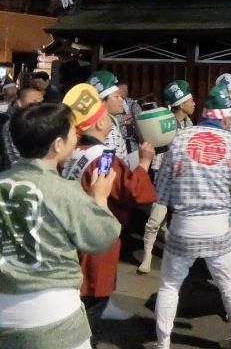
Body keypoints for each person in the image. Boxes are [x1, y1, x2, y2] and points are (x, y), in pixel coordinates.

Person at [151, 83, 231, 349]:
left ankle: (163, 343)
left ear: (205, 113)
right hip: (218, 225)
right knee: (228, 283)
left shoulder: (180, 139)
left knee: (170, 285)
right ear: (226, 118)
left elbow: (161, 191)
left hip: (183, 224)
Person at [0, 102, 120, 349]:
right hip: (54, 313)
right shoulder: (63, 191)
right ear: (57, 144)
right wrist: (99, 199)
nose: (77, 138)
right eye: (73, 133)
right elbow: (100, 239)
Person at [61, 83, 157, 333]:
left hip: (71, 232)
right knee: (90, 303)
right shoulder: (102, 157)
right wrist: (144, 162)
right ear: (101, 123)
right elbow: (135, 192)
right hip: (96, 237)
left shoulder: (74, 151)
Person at [138, 79, 196, 274]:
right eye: (191, 101)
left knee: (182, 220)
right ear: (182, 104)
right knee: (156, 219)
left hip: (184, 178)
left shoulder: (190, 124)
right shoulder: (164, 122)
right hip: (165, 176)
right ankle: (147, 256)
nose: (194, 103)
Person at [87, 71, 128, 159]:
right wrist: (144, 162)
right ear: (102, 102)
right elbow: (111, 164)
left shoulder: (106, 122)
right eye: (116, 96)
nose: (121, 100)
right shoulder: (107, 130)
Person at [0, 87, 43, 171]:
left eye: (41, 102)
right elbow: (14, 156)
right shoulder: (13, 124)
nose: (39, 105)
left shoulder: (39, 120)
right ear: (19, 103)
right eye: (34, 101)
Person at [118, 82, 142, 155]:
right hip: (120, 141)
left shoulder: (132, 103)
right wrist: (126, 119)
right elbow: (113, 120)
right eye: (122, 89)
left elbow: (139, 116)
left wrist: (133, 117)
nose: (125, 91)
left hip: (133, 140)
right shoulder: (113, 104)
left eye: (126, 89)